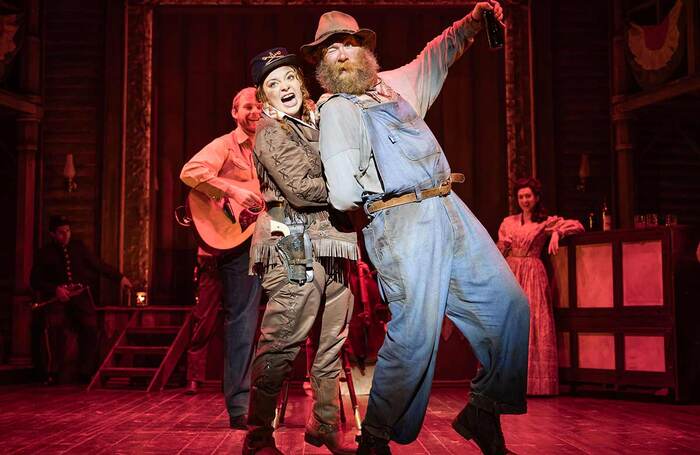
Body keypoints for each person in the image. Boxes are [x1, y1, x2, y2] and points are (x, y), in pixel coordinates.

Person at [303, 4, 530, 454]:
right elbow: (345, 195)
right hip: (400, 220)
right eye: (331, 49)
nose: (342, 53)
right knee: (415, 335)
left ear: (365, 49)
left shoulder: (396, 85)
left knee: (509, 306)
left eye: (349, 43)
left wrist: (472, 21)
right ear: (321, 65)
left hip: (449, 207)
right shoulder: (336, 108)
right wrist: (371, 189)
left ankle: (484, 411)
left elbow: (438, 54)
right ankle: (377, 436)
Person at [242, 48, 358, 455]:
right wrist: (352, 187)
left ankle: (324, 423)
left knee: (332, 341)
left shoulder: (322, 123)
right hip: (292, 239)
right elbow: (303, 190)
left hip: (334, 241)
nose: (283, 87)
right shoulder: (272, 132)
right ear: (264, 96)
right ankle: (258, 436)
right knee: (281, 340)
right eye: (272, 84)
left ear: (301, 81)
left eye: (288, 77)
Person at [180, 87, 264, 429]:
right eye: (247, 106)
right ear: (235, 112)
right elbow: (190, 171)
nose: (254, 111)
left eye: (259, 105)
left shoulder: (275, 143)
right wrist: (232, 190)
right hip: (237, 242)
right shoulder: (225, 145)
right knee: (242, 323)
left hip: (274, 237)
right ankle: (240, 407)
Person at [497, 178, 583, 396]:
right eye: (521, 196)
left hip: (533, 271)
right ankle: (507, 380)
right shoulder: (508, 222)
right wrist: (504, 246)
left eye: (528, 196)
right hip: (511, 272)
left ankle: (536, 384)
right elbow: (499, 250)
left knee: (534, 321)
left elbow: (577, 225)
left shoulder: (544, 222)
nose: (524, 200)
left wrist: (556, 233)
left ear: (535, 198)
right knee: (510, 322)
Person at [30, 215, 132, 385]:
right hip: (57, 300)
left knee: (91, 327)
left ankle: (86, 372)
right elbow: (34, 280)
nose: (66, 235)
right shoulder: (45, 253)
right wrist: (55, 289)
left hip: (79, 299)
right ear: (52, 234)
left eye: (68, 231)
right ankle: (53, 372)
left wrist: (120, 278)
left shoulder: (79, 248)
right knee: (55, 329)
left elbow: (98, 265)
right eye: (61, 232)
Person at [184, 248, 223, 395]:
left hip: (238, 261)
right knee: (203, 322)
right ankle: (194, 376)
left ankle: (236, 380)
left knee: (238, 323)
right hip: (211, 262)